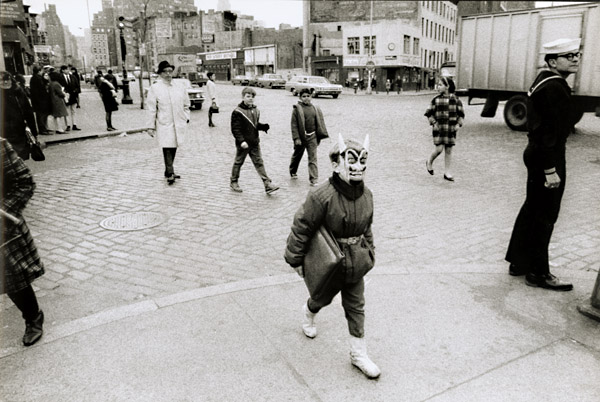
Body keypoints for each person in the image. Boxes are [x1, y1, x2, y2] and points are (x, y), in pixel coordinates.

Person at [284, 134, 380, 379]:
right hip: (330, 264)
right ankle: (309, 311)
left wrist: (369, 255)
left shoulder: (367, 195)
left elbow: (367, 228)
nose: (358, 167)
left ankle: (358, 354)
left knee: (356, 307)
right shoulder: (322, 196)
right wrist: (295, 259)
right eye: (352, 160)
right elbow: (302, 225)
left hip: (356, 262)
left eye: (362, 161)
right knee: (321, 299)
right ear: (337, 164)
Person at [505, 38, 582, 291]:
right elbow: (546, 131)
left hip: (536, 153)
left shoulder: (543, 81)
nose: (575, 58)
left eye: (576, 54)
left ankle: (518, 262)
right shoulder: (555, 88)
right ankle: (538, 273)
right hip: (547, 156)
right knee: (545, 215)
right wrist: (551, 170)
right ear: (552, 61)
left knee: (531, 209)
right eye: (567, 55)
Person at [1, 138, 46, 346]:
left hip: (3, 227)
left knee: (13, 279)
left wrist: (4, 213)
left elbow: (24, 182)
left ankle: (33, 317)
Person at [146, 60, 190, 185]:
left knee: (174, 145)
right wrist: (150, 126)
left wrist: (186, 117)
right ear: (160, 73)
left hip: (179, 121)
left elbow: (187, 104)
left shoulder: (180, 86)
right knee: (167, 147)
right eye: (165, 72)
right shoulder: (155, 88)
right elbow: (151, 108)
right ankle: (170, 172)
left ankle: (167, 170)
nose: (168, 74)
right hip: (164, 122)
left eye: (170, 71)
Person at [229, 87, 279, 194]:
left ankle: (267, 184)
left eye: (252, 97)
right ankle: (234, 181)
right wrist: (241, 141)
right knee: (239, 162)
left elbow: (254, 125)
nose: (250, 99)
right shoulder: (237, 112)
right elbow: (235, 129)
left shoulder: (255, 110)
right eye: (248, 97)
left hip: (254, 142)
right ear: (243, 97)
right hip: (244, 144)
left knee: (259, 162)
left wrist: (262, 126)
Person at [424, 76, 464, 181]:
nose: (438, 87)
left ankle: (447, 172)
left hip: (451, 129)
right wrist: (433, 122)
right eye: (438, 84)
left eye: (441, 85)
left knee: (449, 150)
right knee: (439, 149)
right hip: (439, 129)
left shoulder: (456, 100)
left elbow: (461, 115)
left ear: (447, 86)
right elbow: (429, 114)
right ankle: (429, 161)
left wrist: (458, 125)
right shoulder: (436, 100)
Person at [289, 88, 328, 186]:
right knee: (297, 155)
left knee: (313, 158)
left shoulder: (315, 108)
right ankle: (293, 170)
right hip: (302, 137)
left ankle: (314, 179)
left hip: (312, 136)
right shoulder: (297, 109)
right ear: (300, 97)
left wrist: (319, 134)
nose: (306, 98)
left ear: (311, 97)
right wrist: (296, 138)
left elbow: (319, 122)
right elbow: (294, 125)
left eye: (308, 96)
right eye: (304, 96)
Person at [0, 71, 38, 160]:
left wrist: (34, 131)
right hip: (3, 133)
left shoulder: (18, 92)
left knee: (21, 159)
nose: (5, 82)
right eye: (2, 80)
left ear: (11, 80)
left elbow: (28, 112)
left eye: (7, 79)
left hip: (20, 132)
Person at [29, 65, 52, 135]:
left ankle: (45, 128)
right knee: (41, 116)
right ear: (39, 71)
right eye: (41, 71)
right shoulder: (36, 79)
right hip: (40, 101)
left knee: (44, 115)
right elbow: (37, 91)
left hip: (41, 100)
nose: (42, 72)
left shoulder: (38, 78)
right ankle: (42, 129)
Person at [59, 65, 80, 131]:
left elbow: (77, 86)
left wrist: (75, 91)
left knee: (73, 111)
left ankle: (74, 124)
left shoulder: (73, 77)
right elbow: (59, 87)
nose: (68, 71)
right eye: (66, 69)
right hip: (65, 96)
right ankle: (68, 125)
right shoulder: (60, 78)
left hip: (73, 96)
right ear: (63, 70)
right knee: (67, 111)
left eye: (68, 69)